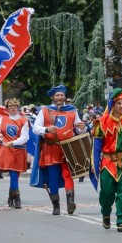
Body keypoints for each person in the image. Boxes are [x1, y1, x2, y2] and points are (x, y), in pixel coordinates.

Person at [90, 88, 122, 232]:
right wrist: (94, 164)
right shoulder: (101, 122)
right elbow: (97, 146)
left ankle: (121, 219)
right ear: (113, 103)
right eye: (119, 103)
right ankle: (106, 212)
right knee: (106, 191)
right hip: (107, 162)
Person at [31, 85, 86, 215]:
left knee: (68, 174)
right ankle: (56, 205)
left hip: (68, 148)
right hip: (51, 147)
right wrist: (46, 129)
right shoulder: (44, 111)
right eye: (57, 95)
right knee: (53, 178)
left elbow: (78, 129)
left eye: (62, 95)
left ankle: (70, 202)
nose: (60, 97)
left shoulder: (72, 110)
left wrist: (82, 127)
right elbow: (35, 128)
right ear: (53, 97)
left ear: (64, 96)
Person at [0, 98, 29, 208]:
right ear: (7, 109)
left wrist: (13, 142)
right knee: (13, 175)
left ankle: (11, 196)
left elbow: (25, 137)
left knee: (16, 175)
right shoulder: (3, 119)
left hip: (19, 150)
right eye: (10, 107)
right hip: (8, 151)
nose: (12, 108)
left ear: (17, 107)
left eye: (14, 106)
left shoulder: (23, 121)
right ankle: (17, 199)